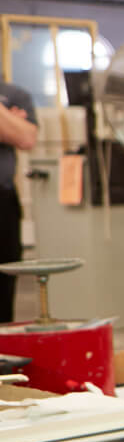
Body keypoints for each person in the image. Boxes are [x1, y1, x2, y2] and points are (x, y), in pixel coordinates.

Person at [0, 84, 37, 323]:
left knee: (3, 284)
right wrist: (8, 120)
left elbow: (25, 137)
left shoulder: (15, 94)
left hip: (3, 199)